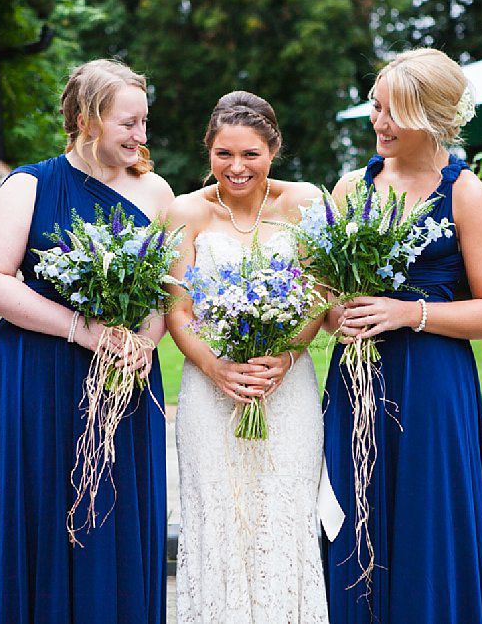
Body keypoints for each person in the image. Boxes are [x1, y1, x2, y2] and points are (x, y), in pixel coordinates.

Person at [0, 59, 174, 623]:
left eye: (144, 122)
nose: (141, 137)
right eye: (127, 124)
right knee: (43, 507)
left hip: (125, 378)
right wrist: (82, 331)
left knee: (117, 512)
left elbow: (167, 288)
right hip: (41, 372)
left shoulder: (156, 192)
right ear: (87, 121)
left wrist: (146, 340)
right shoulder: (29, 185)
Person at [322, 48, 482, 623]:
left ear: (430, 116)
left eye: (391, 112)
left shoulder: (467, 194)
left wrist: (410, 314)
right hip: (357, 378)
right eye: (375, 107)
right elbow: (328, 294)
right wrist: (340, 313)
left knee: (428, 515)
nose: (377, 122)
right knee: (351, 509)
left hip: (432, 383)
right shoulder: (351, 187)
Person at [165, 91, 329, 622]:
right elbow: (178, 310)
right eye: (223, 155)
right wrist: (216, 367)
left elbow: (319, 294)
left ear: (273, 151)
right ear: (208, 151)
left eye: (250, 154)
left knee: (285, 511)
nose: (236, 168)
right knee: (216, 514)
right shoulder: (186, 211)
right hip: (210, 391)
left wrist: (284, 354)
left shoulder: (303, 203)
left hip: (288, 390)